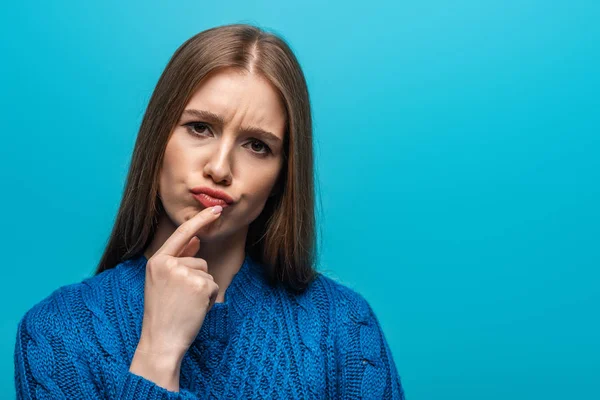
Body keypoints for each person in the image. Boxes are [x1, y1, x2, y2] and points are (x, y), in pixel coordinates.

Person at [14, 23, 406, 399]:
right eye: (200, 128)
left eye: (257, 146)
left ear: (281, 179)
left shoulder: (343, 327)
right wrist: (159, 352)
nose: (219, 168)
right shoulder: (57, 333)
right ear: (157, 140)